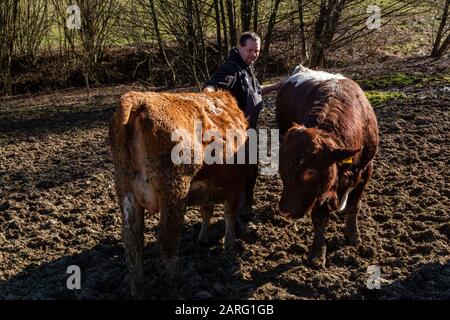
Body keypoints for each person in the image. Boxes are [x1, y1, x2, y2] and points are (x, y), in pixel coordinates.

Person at [203, 31, 284, 237]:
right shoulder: (232, 67)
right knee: (241, 176)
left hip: (250, 133)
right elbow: (212, 85)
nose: (253, 54)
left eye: (256, 51)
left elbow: (255, 92)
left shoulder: (246, 68)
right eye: (250, 50)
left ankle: (243, 212)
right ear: (239, 47)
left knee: (251, 173)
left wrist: (276, 87)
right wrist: (209, 95)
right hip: (236, 136)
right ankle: (240, 218)